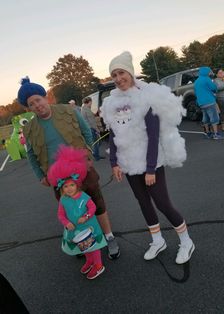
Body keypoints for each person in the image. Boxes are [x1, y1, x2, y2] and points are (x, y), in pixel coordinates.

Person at [100, 51, 195, 264]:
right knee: (143, 202)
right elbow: (113, 135)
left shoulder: (145, 97)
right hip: (129, 164)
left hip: (151, 163)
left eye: (121, 72)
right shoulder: (111, 103)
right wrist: (114, 163)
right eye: (114, 74)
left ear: (130, 73)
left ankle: (186, 241)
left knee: (163, 203)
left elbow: (153, 137)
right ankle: (157, 240)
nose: (118, 78)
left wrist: (151, 168)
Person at [17, 77, 120, 260]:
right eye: (31, 104)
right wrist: (40, 175)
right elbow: (32, 155)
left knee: (97, 204)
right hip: (59, 180)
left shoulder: (68, 111)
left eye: (38, 100)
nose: (37, 105)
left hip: (83, 171)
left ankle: (109, 237)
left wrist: (88, 156)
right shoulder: (30, 129)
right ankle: (81, 242)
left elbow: (86, 132)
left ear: (45, 97)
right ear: (29, 108)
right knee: (71, 212)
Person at [47, 145, 106, 279]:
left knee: (93, 245)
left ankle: (98, 265)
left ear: (77, 184)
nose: (69, 189)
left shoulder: (84, 197)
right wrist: (66, 222)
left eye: (72, 185)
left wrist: (86, 217)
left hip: (89, 226)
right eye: (66, 186)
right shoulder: (63, 200)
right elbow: (60, 214)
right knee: (83, 246)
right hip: (75, 228)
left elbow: (93, 208)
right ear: (62, 187)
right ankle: (90, 261)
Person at [194, 67, 224, 140]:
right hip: (209, 101)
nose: (210, 73)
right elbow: (214, 88)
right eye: (209, 72)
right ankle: (216, 134)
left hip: (201, 103)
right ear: (206, 72)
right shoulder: (206, 79)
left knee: (205, 118)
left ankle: (208, 133)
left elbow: (195, 93)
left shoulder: (196, 81)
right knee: (214, 118)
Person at [81, 96, 105, 161]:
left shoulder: (84, 109)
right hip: (91, 128)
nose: (91, 103)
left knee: (95, 143)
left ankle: (94, 154)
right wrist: (97, 129)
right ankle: (96, 157)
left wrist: (97, 113)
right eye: (91, 102)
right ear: (89, 102)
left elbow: (92, 116)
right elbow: (92, 122)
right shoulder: (87, 110)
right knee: (97, 143)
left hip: (88, 128)